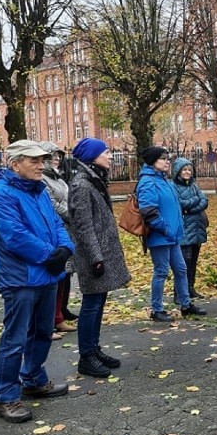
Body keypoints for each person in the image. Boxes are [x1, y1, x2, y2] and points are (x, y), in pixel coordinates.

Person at [0, 140, 75, 423]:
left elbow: (58, 224)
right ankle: (7, 396)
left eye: (42, 160)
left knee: (43, 332)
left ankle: (34, 378)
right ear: (14, 164)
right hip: (21, 278)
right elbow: (14, 236)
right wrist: (50, 254)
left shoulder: (39, 192)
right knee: (15, 338)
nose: (41, 165)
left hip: (47, 274)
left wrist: (65, 248)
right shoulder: (0, 196)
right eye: (34, 161)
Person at [67, 138, 132, 378]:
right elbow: (83, 227)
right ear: (93, 157)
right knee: (91, 306)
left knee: (98, 304)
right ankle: (86, 356)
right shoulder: (82, 185)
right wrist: (96, 258)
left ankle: (94, 349)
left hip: (100, 253)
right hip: (93, 256)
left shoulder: (93, 180)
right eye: (106, 152)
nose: (110, 155)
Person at [137, 146, 195, 322]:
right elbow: (148, 211)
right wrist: (165, 228)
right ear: (153, 161)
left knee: (181, 269)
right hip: (160, 236)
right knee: (161, 271)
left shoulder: (164, 180)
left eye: (168, 158)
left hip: (172, 236)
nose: (167, 161)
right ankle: (156, 309)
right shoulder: (148, 181)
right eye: (163, 158)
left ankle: (185, 304)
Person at [39, 142, 77, 339]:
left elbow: (67, 199)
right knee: (55, 277)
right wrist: (72, 213)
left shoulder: (58, 177)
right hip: (56, 230)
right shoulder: (43, 179)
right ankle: (51, 320)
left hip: (66, 230)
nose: (57, 158)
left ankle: (59, 315)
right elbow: (52, 205)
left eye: (59, 156)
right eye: (53, 155)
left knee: (64, 276)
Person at [172, 157, 209, 309]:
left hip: (197, 229)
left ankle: (190, 288)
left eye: (189, 170)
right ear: (178, 171)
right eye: (184, 170)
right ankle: (179, 293)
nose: (187, 172)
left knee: (193, 261)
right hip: (184, 230)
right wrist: (195, 203)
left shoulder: (194, 186)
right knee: (183, 263)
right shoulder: (173, 186)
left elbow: (204, 201)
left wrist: (191, 207)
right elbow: (179, 204)